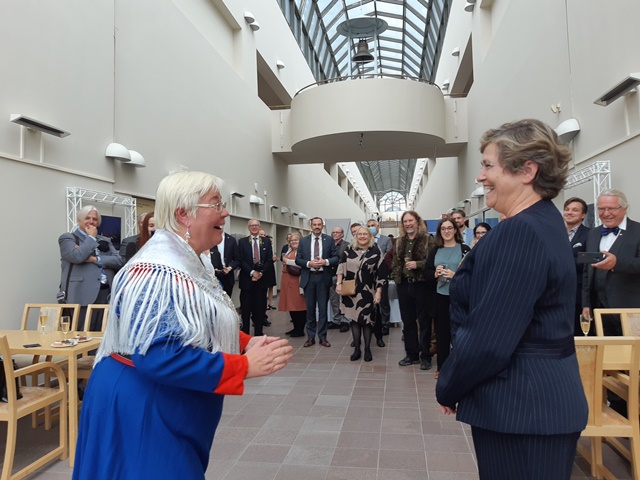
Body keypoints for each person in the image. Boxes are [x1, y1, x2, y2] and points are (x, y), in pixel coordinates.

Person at [72, 171, 293, 480]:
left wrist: (243, 341)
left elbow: (195, 317)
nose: (226, 212)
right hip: (143, 406)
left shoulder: (190, 258)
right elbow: (160, 355)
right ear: (183, 214)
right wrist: (241, 366)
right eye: (216, 204)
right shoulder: (158, 271)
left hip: (163, 400)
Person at [436, 119, 588, 480]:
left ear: (527, 171)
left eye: (488, 165)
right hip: (537, 403)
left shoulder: (521, 232)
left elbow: (491, 337)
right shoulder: (544, 220)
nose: (480, 176)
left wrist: (449, 385)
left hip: (522, 407)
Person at [582, 189, 640, 336]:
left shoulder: (638, 231)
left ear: (624, 208)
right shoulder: (593, 233)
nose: (606, 213)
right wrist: (586, 304)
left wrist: (617, 263)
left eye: (611, 208)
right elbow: (586, 272)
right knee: (606, 354)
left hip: (630, 309)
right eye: (601, 209)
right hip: (599, 310)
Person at [59, 205, 124, 330]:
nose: (91, 221)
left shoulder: (105, 240)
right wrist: (91, 238)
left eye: (94, 219)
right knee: (82, 334)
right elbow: (77, 256)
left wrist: (96, 259)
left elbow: (119, 260)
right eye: (87, 218)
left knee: (102, 334)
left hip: (105, 293)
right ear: (79, 220)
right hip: (82, 293)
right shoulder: (68, 238)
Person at [425, 217, 470, 379]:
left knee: (460, 334)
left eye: (450, 228)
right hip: (440, 297)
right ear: (439, 232)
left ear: (456, 230)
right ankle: (442, 367)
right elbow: (426, 272)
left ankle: (460, 366)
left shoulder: (464, 249)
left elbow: (473, 274)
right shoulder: (435, 250)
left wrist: (455, 275)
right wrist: (435, 273)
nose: (447, 231)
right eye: (443, 229)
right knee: (442, 334)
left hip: (459, 298)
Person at [391, 210, 435, 370]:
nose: (408, 224)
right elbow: (395, 261)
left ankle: (425, 355)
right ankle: (411, 354)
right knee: (408, 321)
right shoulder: (399, 241)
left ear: (417, 221)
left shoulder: (427, 240)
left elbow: (433, 261)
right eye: (405, 222)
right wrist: (396, 277)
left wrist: (418, 264)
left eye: (411, 221)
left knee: (424, 321)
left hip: (422, 285)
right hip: (404, 285)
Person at [336, 226, 387, 362]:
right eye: (360, 234)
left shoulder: (375, 251)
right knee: (354, 320)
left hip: (368, 291)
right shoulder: (348, 249)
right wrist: (339, 284)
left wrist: (378, 292)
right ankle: (357, 349)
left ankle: (367, 349)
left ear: (370, 236)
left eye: (365, 234)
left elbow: (381, 273)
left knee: (366, 321)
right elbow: (341, 267)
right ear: (356, 236)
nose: (363, 236)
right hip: (350, 290)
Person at [296, 217, 339, 347]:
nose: (317, 227)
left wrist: (325, 262)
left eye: (319, 224)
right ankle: (310, 337)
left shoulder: (329, 240)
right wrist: (309, 263)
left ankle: (322, 337)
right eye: (314, 224)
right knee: (310, 310)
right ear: (311, 226)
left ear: (322, 226)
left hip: (323, 278)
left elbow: (336, 257)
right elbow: (298, 260)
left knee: (323, 309)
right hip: (309, 278)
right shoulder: (303, 241)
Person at [238, 220, 273, 336]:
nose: (254, 227)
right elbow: (240, 260)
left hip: (261, 281)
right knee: (246, 311)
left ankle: (259, 335)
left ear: (259, 227)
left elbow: (269, 260)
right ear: (248, 228)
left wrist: (260, 272)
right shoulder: (242, 242)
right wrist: (252, 272)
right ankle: (246, 337)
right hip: (247, 281)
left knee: (259, 310)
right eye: (252, 225)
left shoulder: (266, 241)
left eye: (256, 225)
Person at [563, 197, 591, 336]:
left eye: (575, 210)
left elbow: (588, 259)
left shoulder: (590, 234)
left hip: (578, 294)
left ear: (583, 215)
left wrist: (560, 261)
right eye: (567, 209)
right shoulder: (556, 233)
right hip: (557, 293)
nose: (569, 212)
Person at [367, 218, 393, 335]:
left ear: (377, 227)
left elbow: (389, 256)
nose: (370, 227)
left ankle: (385, 324)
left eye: (372, 225)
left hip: (382, 274)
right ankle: (371, 323)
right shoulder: (365, 239)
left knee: (383, 300)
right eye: (368, 226)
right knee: (368, 300)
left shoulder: (386, 240)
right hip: (367, 275)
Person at [278, 232, 306, 337]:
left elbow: (301, 263)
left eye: (296, 240)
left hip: (296, 281)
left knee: (299, 305)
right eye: (291, 240)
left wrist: (287, 261)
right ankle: (295, 328)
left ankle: (300, 330)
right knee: (290, 305)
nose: (293, 242)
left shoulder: (303, 251)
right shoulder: (289, 250)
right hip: (287, 280)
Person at [328, 226, 350, 332]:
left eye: (337, 232)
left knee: (344, 299)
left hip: (343, 276)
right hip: (330, 275)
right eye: (333, 232)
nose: (335, 234)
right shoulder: (328, 244)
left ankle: (345, 321)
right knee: (334, 300)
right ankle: (336, 320)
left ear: (342, 234)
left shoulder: (347, 245)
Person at [210, 227, 240, 298]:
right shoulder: (208, 238)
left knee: (227, 301)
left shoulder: (231, 240)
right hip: (213, 276)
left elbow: (237, 260)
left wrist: (230, 267)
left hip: (228, 276)